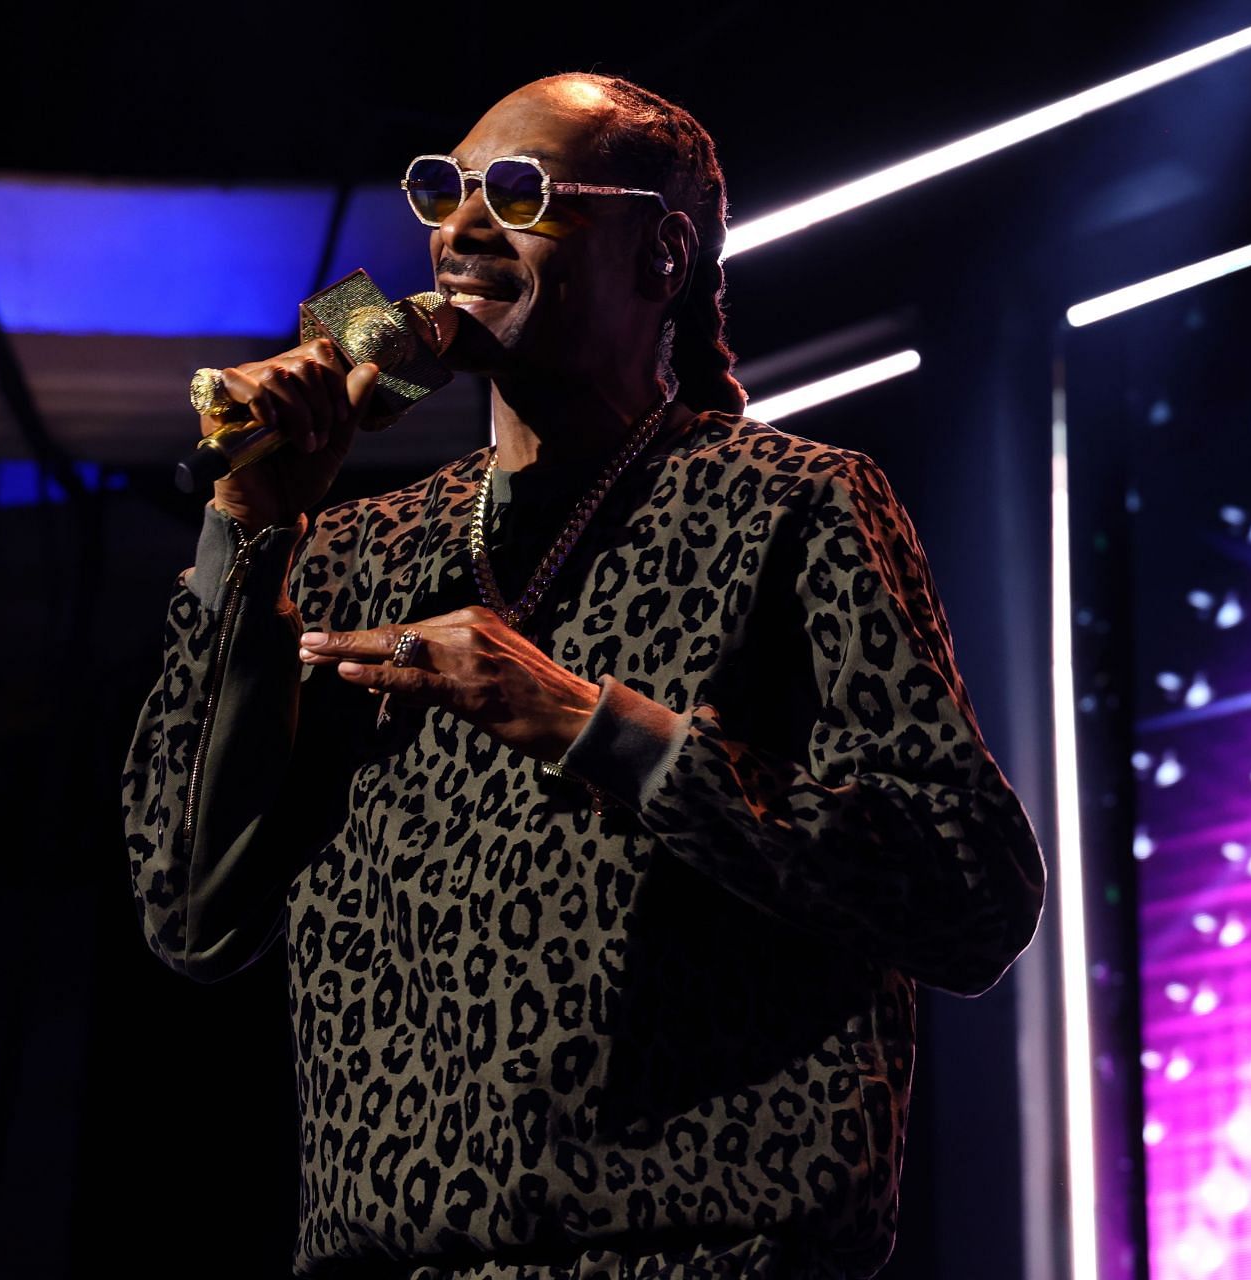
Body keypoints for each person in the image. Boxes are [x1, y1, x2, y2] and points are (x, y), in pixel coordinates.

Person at [123, 73, 1045, 1279]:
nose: (459, 228)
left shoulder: (793, 501)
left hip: (694, 1254)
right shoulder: (354, 548)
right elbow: (191, 911)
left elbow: (967, 886)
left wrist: (586, 721)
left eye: (518, 193)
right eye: (442, 192)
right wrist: (247, 524)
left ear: (661, 254)